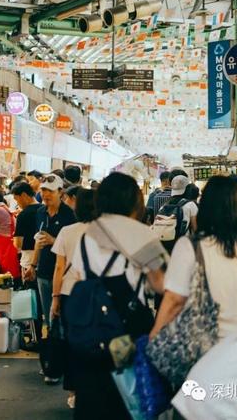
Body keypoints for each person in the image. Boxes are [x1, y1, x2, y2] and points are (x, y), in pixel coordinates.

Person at [68, 172, 167, 420]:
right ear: (133, 200)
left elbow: (82, 278)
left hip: (90, 330)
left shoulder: (86, 234)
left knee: (93, 399)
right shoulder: (141, 233)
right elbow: (161, 284)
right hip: (127, 328)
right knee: (130, 397)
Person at [150, 175, 237, 341]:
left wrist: (153, 339)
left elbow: (173, 300)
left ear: (204, 206)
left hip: (201, 344)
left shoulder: (189, 247)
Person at [50, 188, 96, 410]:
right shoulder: (106, 233)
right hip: (96, 294)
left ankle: (75, 392)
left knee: (72, 343)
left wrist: (55, 298)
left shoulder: (67, 232)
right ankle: (94, 388)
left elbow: (60, 267)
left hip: (70, 294)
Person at [26, 174, 76, 336]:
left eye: (50, 191)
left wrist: (53, 240)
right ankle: (54, 348)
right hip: (44, 272)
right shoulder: (40, 212)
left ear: (60, 192)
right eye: (43, 190)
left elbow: (73, 248)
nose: (45, 194)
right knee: (49, 318)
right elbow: (38, 241)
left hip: (64, 275)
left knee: (63, 316)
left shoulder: (69, 215)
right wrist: (32, 265)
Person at [11, 182, 42, 273]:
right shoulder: (45, 209)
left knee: (29, 286)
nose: (17, 203)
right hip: (44, 258)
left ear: (24, 195)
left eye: (17, 199)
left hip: (29, 260)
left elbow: (18, 244)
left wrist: (13, 239)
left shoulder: (23, 215)